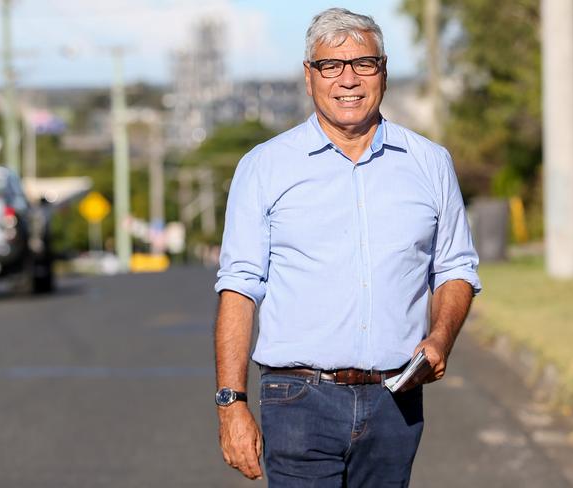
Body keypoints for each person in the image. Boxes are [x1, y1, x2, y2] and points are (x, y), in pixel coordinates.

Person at [213, 7, 481, 487]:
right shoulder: (264, 167)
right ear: (308, 76)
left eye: (364, 64)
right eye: (331, 66)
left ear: (384, 71)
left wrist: (441, 338)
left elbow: (456, 267)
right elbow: (238, 287)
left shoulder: (430, 163)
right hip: (298, 398)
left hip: (395, 399)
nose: (348, 80)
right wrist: (231, 404)